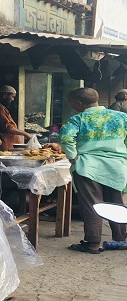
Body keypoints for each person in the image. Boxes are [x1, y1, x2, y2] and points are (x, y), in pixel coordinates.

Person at [59, 87, 127, 254]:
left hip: (88, 167)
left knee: (92, 204)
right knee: (116, 202)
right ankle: (121, 240)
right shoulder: (121, 117)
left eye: (72, 103)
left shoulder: (77, 119)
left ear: (78, 103)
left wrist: (72, 156)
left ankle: (93, 243)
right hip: (116, 166)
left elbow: (66, 138)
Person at [0, 85, 33, 150]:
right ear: (5, 95)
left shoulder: (2, 107)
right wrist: (26, 134)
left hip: (9, 144)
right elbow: (7, 127)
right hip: (4, 144)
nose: (13, 99)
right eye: (12, 96)